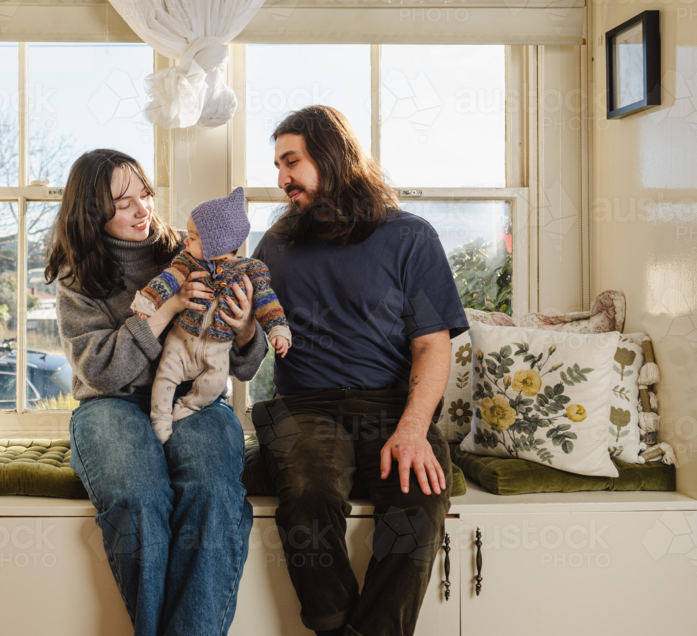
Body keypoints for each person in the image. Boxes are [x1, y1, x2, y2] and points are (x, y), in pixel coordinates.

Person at [250, 105, 469, 636]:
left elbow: (432, 347)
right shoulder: (274, 247)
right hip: (302, 408)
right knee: (306, 493)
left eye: (291, 162)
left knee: (419, 501)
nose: (282, 179)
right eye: (278, 165)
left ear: (331, 156)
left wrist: (415, 428)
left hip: (393, 405)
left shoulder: (410, 237)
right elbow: (242, 344)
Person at [45, 148, 267, 636]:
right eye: (123, 203)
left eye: (144, 193)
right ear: (90, 211)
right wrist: (165, 311)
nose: (143, 208)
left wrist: (248, 329)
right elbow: (102, 370)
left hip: (194, 399)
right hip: (110, 404)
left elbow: (245, 367)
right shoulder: (77, 278)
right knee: (139, 497)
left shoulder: (190, 251)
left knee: (213, 494)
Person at [132, 186, 292, 443]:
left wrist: (277, 329)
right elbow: (167, 281)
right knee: (164, 378)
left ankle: (187, 406)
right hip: (181, 342)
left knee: (216, 384)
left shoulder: (250, 270)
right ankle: (159, 421)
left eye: (193, 238)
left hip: (218, 347)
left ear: (216, 245)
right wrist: (149, 300)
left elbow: (266, 300)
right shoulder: (186, 262)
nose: (186, 241)